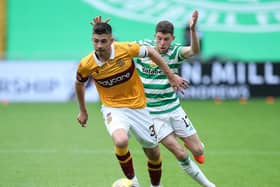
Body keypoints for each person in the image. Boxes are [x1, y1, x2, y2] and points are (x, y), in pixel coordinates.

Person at [75, 19, 188, 187]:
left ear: (112, 41)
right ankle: (133, 182)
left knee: (153, 153)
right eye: (96, 41)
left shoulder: (125, 49)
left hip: (138, 108)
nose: (99, 45)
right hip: (113, 108)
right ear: (92, 40)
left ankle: (156, 185)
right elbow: (79, 83)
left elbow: (151, 52)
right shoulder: (86, 64)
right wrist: (83, 111)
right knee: (120, 141)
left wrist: (171, 76)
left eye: (103, 41)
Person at [134, 11, 216, 187]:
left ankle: (191, 145)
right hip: (152, 115)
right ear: (154, 36)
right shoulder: (143, 48)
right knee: (179, 153)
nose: (162, 43)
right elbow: (118, 48)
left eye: (166, 39)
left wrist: (193, 30)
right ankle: (209, 185)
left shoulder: (176, 51)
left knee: (198, 150)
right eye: (159, 38)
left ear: (172, 38)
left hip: (174, 109)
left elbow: (194, 50)